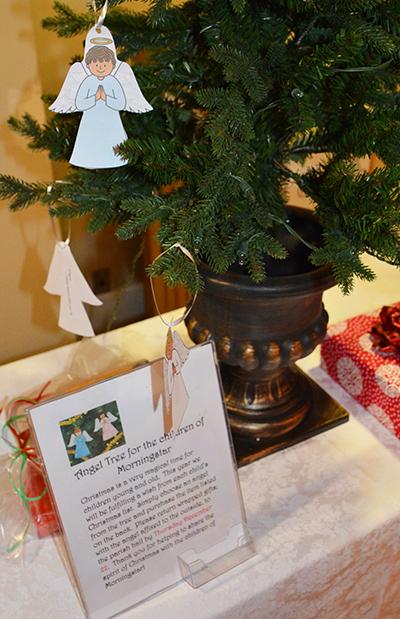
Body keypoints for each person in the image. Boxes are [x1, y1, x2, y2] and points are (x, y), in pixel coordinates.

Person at [69, 46, 128, 168]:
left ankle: (117, 158)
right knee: (91, 139)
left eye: (105, 64)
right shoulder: (87, 82)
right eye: (96, 64)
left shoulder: (113, 82)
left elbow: (121, 103)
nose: (101, 67)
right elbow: (80, 103)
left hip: (111, 119)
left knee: (112, 138)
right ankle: (89, 159)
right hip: (91, 119)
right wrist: (95, 98)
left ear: (112, 65)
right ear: (88, 65)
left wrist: (106, 98)